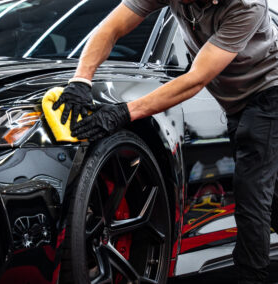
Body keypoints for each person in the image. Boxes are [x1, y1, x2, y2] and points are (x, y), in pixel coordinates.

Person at [52, 0, 278, 283]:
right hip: (235, 104)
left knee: (251, 194)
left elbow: (195, 78)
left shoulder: (248, 6)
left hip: (269, 93)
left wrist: (124, 112)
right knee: (271, 198)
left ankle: (251, 278)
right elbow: (111, 27)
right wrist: (81, 81)